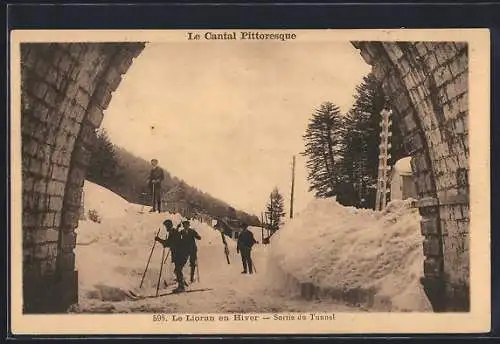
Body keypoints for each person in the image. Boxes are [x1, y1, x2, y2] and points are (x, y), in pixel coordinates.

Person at [155, 219, 187, 293]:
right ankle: (182, 283)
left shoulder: (173, 232)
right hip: (179, 254)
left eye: (166, 226)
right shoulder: (173, 232)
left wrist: (159, 239)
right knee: (177, 270)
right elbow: (168, 243)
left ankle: (181, 287)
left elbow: (167, 243)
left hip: (180, 254)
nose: (166, 228)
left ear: (169, 226)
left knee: (177, 270)